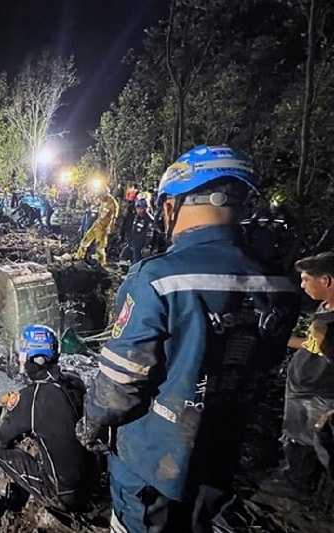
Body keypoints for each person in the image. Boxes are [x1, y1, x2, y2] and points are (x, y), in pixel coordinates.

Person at [76, 145, 299, 533]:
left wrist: (89, 426)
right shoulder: (280, 285)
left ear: (171, 205)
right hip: (221, 457)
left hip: (152, 463)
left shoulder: (157, 279)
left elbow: (118, 392)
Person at [0, 325, 94, 529]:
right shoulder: (76, 382)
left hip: (62, 496)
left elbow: (2, 439)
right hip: (90, 487)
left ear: (31, 358)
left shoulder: (31, 398)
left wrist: (12, 409)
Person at [262, 252, 334, 499]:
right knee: (296, 437)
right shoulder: (325, 307)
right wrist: (279, 338)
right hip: (303, 388)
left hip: (321, 394)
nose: (302, 285)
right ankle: (295, 479)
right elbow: (313, 345)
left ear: (326, 280)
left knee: (321, 443)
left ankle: (307, 488)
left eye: (306, 279)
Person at [70, 186, 119, 266]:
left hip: (104, 227)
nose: (100, 198)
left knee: (100, 246)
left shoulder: (112, 203)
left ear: (106, 194)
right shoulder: (102, 199)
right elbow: (95, 205)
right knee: (85, 240)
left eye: (101, 196)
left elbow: (114, 217)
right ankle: (79, 256)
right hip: (97, 224)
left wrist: (111, 227)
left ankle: (101, 264)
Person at [124, 198, 154, 264]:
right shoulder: (137, 217)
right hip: (134, 244)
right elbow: (133, 229)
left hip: (142, 247)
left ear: (146, 208)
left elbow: (149, 235)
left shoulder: (149, 220)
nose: (139, 210)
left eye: (141, 208)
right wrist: (130, 241)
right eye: (138, 208)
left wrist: (146, 246)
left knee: (138, 263)